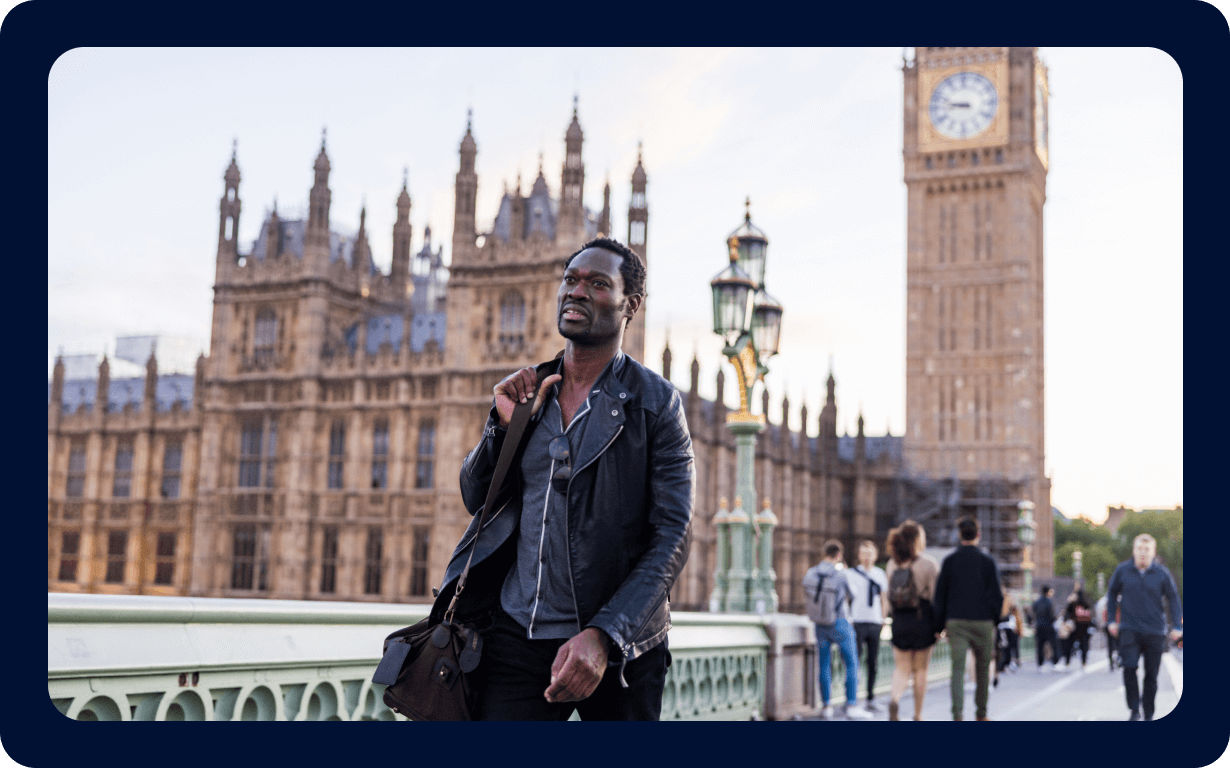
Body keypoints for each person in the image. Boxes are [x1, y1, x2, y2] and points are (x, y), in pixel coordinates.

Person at [439, 237, 694, 720]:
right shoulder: (529, 389)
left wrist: (605, 634)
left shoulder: (655, 404)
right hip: (517, 635)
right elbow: (477, 498)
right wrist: (503, 426)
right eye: (570, 280)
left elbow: (673, 536)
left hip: (620, 649)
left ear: (630, 305)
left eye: (598, 284)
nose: (576, 292)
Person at [933, 516, 1004, 721]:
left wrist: (939, 625)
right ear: (978, 535)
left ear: (959, 534)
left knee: (957, 669)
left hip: (956, 622)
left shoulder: (949, 561)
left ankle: (957, 714)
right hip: (983, 622)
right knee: (982, 669)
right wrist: (994, 619)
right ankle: (981, 714)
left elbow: (940, 597)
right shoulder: (988, 562)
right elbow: (997, 596)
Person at [1105, 534, 1183, 721]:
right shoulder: (1122, 570)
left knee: (1151, 675)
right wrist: (1111, 621)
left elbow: (1173, 598)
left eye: (1147, 550)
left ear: (1153, 552)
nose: (1143, 553)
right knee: (1129, 667)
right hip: (1129, 629)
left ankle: (1148, 713)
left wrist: (1177, 626)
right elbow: (1111, 594)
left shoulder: (1162, 573)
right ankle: (1134, 710)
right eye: (1139, 549)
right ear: (1134, 550)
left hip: (1155, 631)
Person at [802, 540, 874, 720]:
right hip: (840, 621)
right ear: (839, 555)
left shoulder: (811, 573)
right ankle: (851, 704)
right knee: (851, 663)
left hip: (820, 624)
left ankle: (826, 706)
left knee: (824, 665)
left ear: (824, 553)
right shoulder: (841, 574)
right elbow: (853, 594)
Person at [884, 521, 940, 721]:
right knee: (920, 670)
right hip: (922, 618)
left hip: (899, 620)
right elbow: (935, 598)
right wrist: (939, 626)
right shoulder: (928, 564)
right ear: (917, 540)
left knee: (901, 668)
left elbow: (889, 597)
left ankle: (894, 699)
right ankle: (917, 715)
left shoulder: (892, 564)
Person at [847, 539, 889, 711]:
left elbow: (884, 599)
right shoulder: (851, 573)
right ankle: (853, 698)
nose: (866, 557)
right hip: (857, 621)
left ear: (875, 555)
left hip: (874, 622)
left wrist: (883, 619)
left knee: (873, 662)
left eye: (870, 554)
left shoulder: (880, 574)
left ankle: (870, 698)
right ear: (859, 555)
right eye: (864, 553)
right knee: (854, 662)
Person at [1062, 587, 1094, 670]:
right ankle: (1084, 663)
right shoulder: (1087, 604)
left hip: (1074, 629)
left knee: (1069, 646)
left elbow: (1066, 614)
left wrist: (1069, 602)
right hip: (1084, 629)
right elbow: (1090, 617)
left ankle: (1067, 663)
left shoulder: (1073, 604)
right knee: (1084, 647)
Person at [1032, 586, 1059, 672]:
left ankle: (1040, 664)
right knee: (1054, 644)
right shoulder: (1049, 602)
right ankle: (1055, 663)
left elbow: (1033, 614)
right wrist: (1055, 619)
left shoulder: (1036, 602)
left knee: (1040, 646)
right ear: (1048, 592)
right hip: (1048, 626)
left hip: (1039, 626)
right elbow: (1051, 616)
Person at [997, 590, 1023, 673]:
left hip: (1013, 631)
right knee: (1005, 647)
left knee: (1012, 647)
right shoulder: (1003, 607)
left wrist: (1020, 630)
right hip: (1005, 631)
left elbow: (1019, 620)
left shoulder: (1014, 609)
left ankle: (1012, 663)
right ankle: (1004, 665)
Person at [1094, 591, 1118, 671]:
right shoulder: (1116, 601)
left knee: (1110, 644)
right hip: (1116, 625)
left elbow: (1099, 614)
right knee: (1117, 643)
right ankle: (1116, 659)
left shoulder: (1102, 602)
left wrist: (1101, 625)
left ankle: (1111, 662)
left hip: (1106, 625)